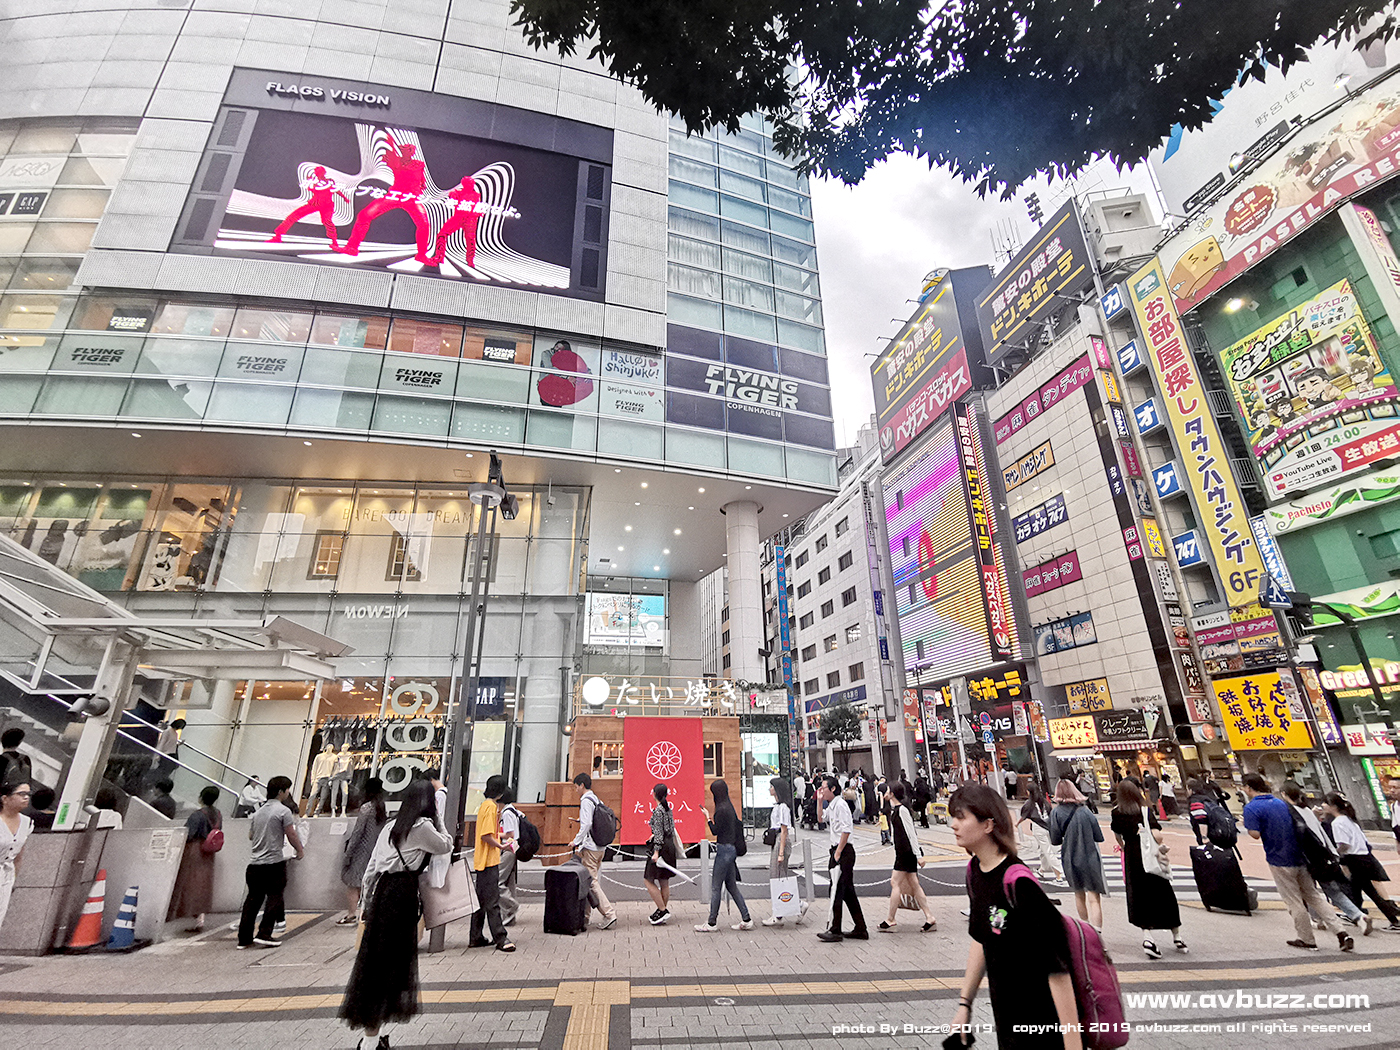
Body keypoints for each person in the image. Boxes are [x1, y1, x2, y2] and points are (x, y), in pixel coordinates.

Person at [949, 784, 1080, 1050]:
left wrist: (1073, 1044)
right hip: (1006, 1017)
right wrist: (965, 1004)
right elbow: (983, 938)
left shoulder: (1019, 883)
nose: (953, 824)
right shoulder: (975, 872)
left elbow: (1058, 969)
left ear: (988, 825)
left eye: (961, 817)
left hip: (1043, 1020)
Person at [340, 779, 453, 1049]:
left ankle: (373, 1036)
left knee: (376, 964)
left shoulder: (391, 826)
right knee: (390, 968)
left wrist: (366, 905)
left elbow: (372, 869)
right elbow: (445, 845)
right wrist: (439, 820)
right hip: (402, 896)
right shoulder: (422, 827)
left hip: (382, 893)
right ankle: (370, 1042)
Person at [1242, 774, 1353, 952]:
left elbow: (1255, 834)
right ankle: (1341, 932)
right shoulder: (1280, 803)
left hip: (1278, 858)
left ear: (1248, 788)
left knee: (1294, 900)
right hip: (1300, 856)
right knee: (1314, 896)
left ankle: (1307, 939)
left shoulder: (1252, 808)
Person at [1111, 780, 1187, 959]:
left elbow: (1117, 836)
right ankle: (1177, 936)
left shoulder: (1116, 812)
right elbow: (1157, 835)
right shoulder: (1144, 809)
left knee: (1139, 897)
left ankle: (1148, 938)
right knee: (1164, 893)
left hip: (1132, 856)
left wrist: (1124, 847)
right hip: (1150, 856)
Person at [1279, 784, 1368, 934]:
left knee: (1309, 891)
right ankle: (1358, 916)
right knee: (1332, 890)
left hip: (1307, 857)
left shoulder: (1290, 812)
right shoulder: (1307, 810)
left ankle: (1318, 919)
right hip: (1323, 855)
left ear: (1283, 794)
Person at [237, 775, 303, 950]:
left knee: (252, 900)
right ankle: (264, 933)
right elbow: (291, 834)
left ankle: (244, 938)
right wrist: (300, 850)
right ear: (281, 791)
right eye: (287, 789)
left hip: (254, 864)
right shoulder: (283, 811)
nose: (288, 792)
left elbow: (251, 836)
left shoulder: (258, 812)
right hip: (274, 862)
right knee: (274, 896)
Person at [341, 138, 432, 262]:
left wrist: (421, 186)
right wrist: (389, 139)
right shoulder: (396, 161)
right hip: (394, 195)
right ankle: (352, 247)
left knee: (424, 224)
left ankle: (421, 255)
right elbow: (391, 151)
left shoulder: (418, 164)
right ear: (402, 151)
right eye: (406, 150)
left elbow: (421, 179)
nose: (409, 152)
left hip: (412, 198)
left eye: (411, 150)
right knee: (364, 215)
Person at [1324, 792, 1400, 930]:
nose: (1323, 806)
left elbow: (1344, 845)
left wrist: (1334, 853)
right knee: (1356, 889)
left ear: (1333, 806)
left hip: (1354, 860)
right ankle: (1357, 916)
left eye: (1325, 803)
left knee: (1369, 891)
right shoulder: (1350, 820)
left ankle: (1393, 919)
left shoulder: (1337, 823)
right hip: (1364, 857)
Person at [878, 782, 937, 932]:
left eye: (888, 790)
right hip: (903, 852)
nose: (886, 792)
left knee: (894, 882)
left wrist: (918, 855)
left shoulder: (902, 810)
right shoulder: (895, 809)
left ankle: (890, 919)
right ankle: (929, 917)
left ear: (893, 794)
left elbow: (911, 833)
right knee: (914, 884)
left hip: (906, 853)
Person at [695, 779, 753, 932]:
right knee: (731, 886)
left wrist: (707, 817)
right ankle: (746, 918)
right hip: (732, 849)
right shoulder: (729, 807)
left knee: (716, 887)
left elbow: (715, 831)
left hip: (723, 850)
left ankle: (712, 922)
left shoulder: (720, 809)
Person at [467, 775, 516, 951]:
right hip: (489, 860)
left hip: (482, 860)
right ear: (501, 792)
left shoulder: (484, 806)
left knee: (480, 901)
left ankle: (476, 936)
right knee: (492, 901)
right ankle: (500, 938)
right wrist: (501, 845)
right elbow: (486, 836)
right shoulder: (491, 808)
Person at [1049, 780, 1105, 931]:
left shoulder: (1055, 813)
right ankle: (1097, 931)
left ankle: (1085, 928)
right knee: (1094, 897)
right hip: (1090, 856)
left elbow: (1054, 840)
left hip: (1070, 857)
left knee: (1079, 894)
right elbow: (1099, 836)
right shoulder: (1085, 811)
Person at [816, 773, 867, 942]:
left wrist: (837, 852)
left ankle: (835, 929)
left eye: (824, 787)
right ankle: (860, 928)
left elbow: (847, 829)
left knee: (836, 889)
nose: (821, 790)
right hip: (837, 850)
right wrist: (818, 800)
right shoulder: (831, 805)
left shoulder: (841, 805)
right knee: (847, 892)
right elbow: (820, 819)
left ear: (833, 788)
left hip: (843, 851)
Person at [168, 784, 222, 932]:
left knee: (191, 883)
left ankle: (191, 912)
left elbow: (188, 834)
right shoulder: (218, 814)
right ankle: (201, 916)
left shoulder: (197, 815)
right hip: (209, 851)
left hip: (195, 850)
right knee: (204, 883)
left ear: (201, 798)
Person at [569, 773, 618, 929]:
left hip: (590, 847)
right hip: (600, 847)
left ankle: (609, 914)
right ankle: (584, 917)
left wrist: (575, 841)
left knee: (591, 882)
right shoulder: (596, 798)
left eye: (576, 786)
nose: (575, 789)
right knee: (589, 881)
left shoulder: (585, 801)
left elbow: (587, 824)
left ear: (581, 785)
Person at [338, 777, 388, 926]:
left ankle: (352, 914)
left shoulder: (367, 808)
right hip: (375, 850)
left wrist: (348, 853)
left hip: (361, 850)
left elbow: (358, 832)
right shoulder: (381, 807)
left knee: (353, 884)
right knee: (368, 882)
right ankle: (365, 912)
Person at [762, 777, 807, 926]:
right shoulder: (779, 806)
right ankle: (790, 908)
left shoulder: (783, 807)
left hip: (781, 841)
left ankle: (783, 911)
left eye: (771, 787)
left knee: (777, 877)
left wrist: (780, 852)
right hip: (778, 840)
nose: (769, 789)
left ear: (777, 789)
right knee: (779, 877)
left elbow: (784, 830)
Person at [269, 165, 349, 249]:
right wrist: (311, 182)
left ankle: (334, 242)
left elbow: (336, 190)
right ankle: (278, 235)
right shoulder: (314, 182)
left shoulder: (329, 181)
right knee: (294, 215)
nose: (316, 173)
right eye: (316, 172)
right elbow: (312, 189)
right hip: (314, 203)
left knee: (327, 221)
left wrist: (344, 198)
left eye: (318, 172)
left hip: (326, 205)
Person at [0, 779, 34, 933]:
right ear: (5, 799)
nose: (26, 797)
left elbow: (19, 855)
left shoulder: (26, 822)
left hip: (6, 874)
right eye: (21, 794)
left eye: (28, 794)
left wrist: (13, 879)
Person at [429, 175, 484, 267]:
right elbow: (452, 199)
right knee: (442, 234)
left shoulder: (476, 195)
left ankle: (470, 260)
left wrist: (477, 214)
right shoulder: (458, 193)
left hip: (470, 220)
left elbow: (478, 208)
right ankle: (439, 256)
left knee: (470, 240)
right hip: (458, 217)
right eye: (468, 184)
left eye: (471, 183)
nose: (470, 185)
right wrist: (452, 196)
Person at [644, 783, 678, 925]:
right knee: (664, 881)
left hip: (661, 848)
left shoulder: (658, 810)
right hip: (670, 846)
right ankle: (661, 912)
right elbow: (669, 828)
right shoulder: (668, 809)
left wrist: (656, 851)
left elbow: (658, 833)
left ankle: (662, 910)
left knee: (648, 879)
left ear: (654, 794)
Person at [1018, 784, 1065, 884]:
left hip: (1038, 827)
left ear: (1029, 792)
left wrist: (1017, 824)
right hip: (1048, 826)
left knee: (1047, 851)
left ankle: (1059, 874)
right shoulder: (1044, 801)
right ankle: (1042, 870)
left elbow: (1024, 815)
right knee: (1043, 850)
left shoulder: (1029, 803)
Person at [498, 786, 521, 927]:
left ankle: (511, 905)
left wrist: (494, 835)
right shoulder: (514, 810)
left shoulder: (507, 813)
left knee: (497, 881)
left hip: (508, 848)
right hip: (514, 849)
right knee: (509, 882)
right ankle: (509, 917)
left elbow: (510, 834)